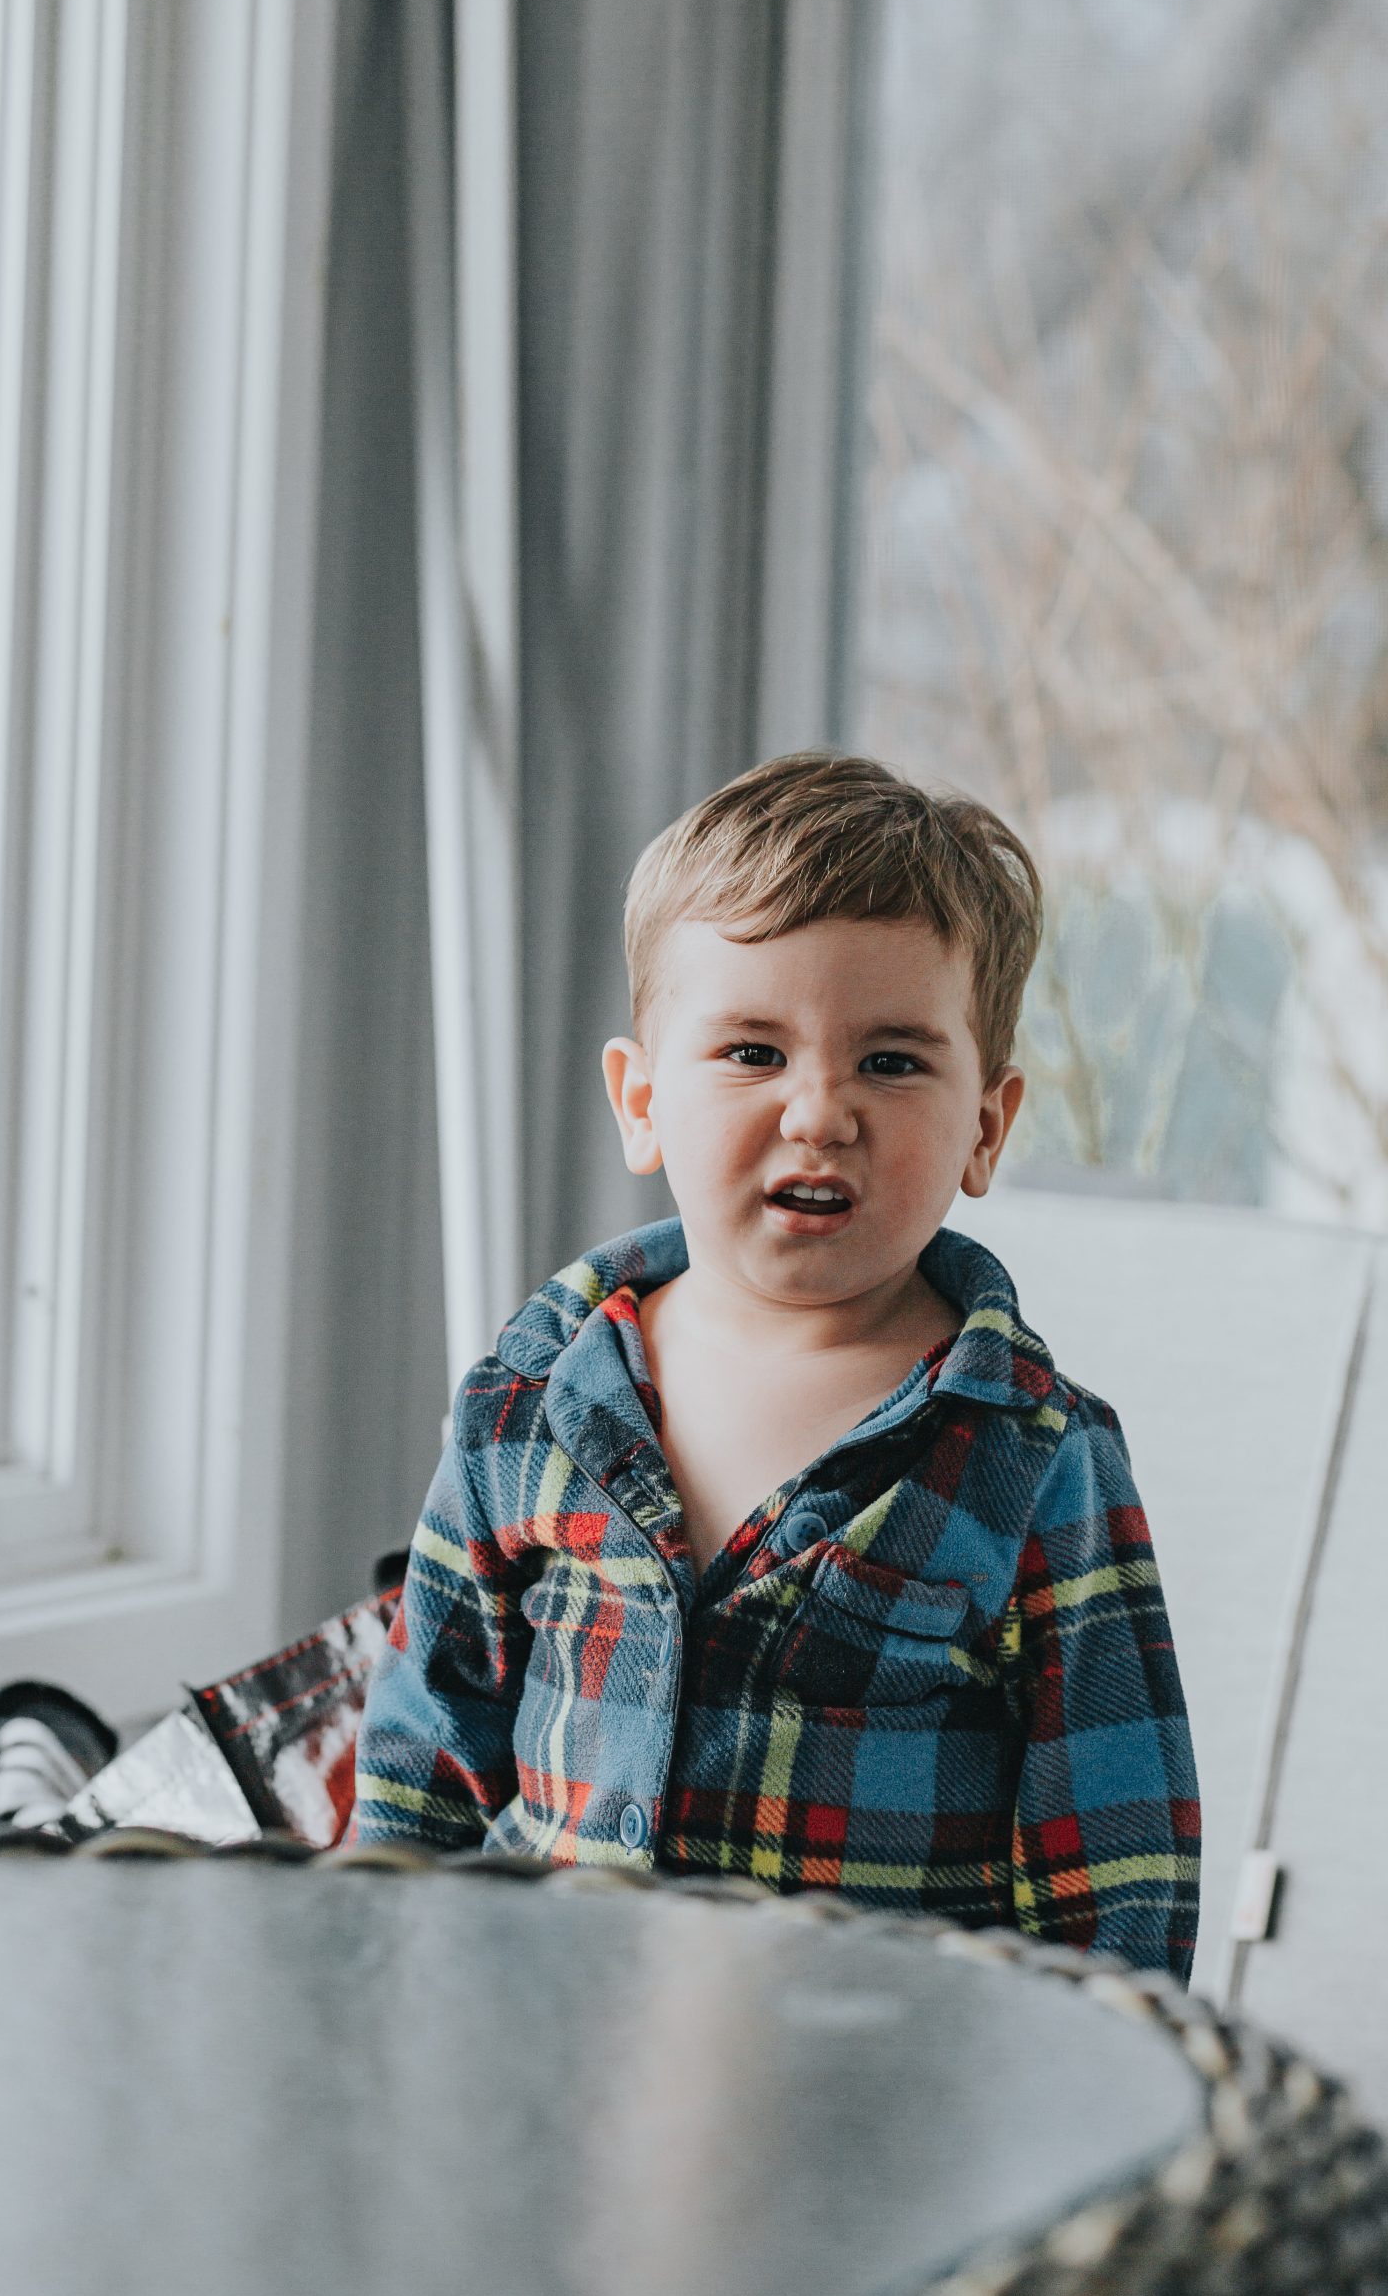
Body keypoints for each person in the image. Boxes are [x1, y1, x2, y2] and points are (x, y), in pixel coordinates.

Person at [353, 754, 1200, 1979]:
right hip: (539, 2072)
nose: (819, 1112)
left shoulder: (1031, 1456)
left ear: (987, 1125)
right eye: (753, 1052)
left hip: (877, 2109)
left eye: (893, 1061)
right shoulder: (529, 1406)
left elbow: (1120, 1871)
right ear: (641, 1101)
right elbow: (425, 1754)